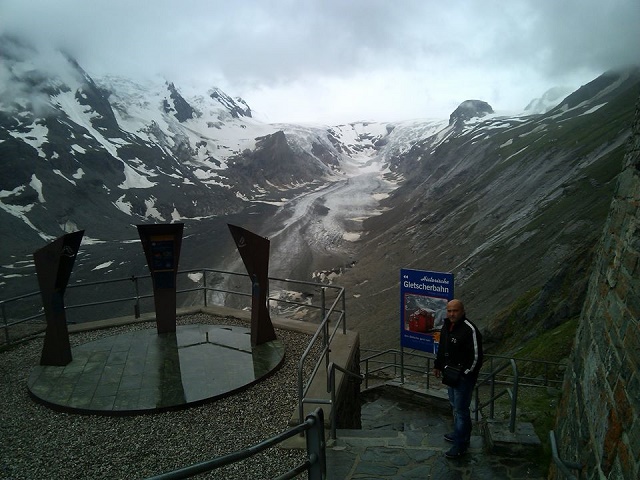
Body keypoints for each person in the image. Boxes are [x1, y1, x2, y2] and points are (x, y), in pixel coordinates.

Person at [433, 299, 483, 459]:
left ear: (462, 311)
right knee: (455, 406)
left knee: (461, 411)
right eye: (449, 311)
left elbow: (477, 356)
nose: (452, 314)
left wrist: (466, 373)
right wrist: (438, 365)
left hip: (463, 377)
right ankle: (460, 434)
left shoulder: (469, 329)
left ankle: (461, 445)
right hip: (450, 374)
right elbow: (442, 347)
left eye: (455, 311)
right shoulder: (447, 326)